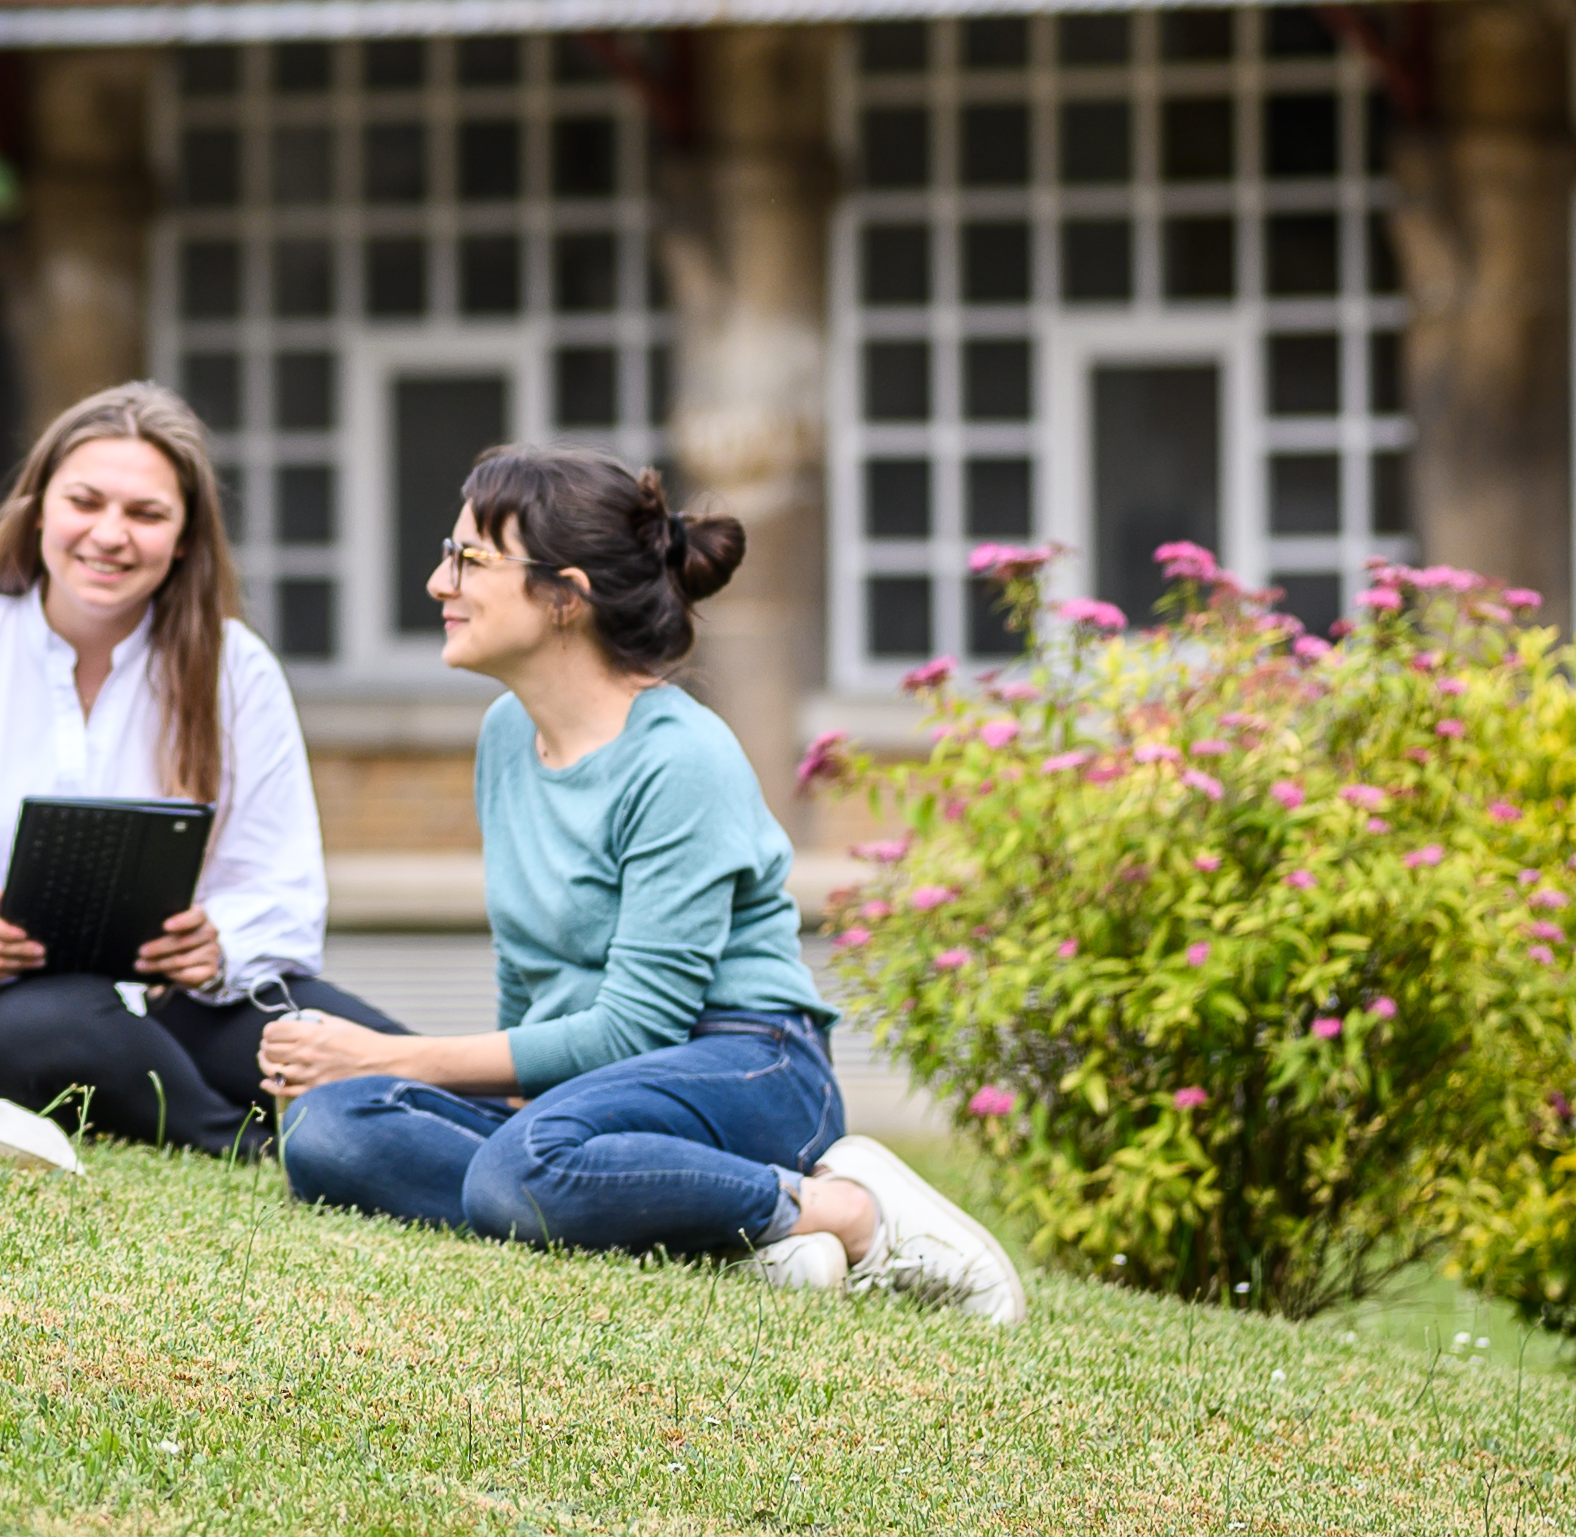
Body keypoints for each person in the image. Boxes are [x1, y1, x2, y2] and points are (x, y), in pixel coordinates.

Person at [263, 446, 1026, 1320]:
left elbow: (638, 1027)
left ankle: (847, 1210)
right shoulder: (508, 733)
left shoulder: (680, 757)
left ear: (564, 594)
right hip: (605, 1091)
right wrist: (453, 1093)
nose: (440, 581)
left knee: (518, 1169)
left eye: (471, 559)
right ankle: (715, 1231)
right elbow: (530, 972)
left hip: (748, 1065)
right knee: (331, 1131)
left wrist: (387, 1052)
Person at [0, 382, 407, 1152]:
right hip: (8, 1004)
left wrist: (217, 941)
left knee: (327, 1039)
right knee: (47, 1031)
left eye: (146, 513)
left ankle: (493, 1123)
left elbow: (285, 888)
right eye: (85, 501)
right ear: (39, 509)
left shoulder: (237, 670)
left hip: (191, 999)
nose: (110, 534)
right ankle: (242, 1143)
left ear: (186, 535)